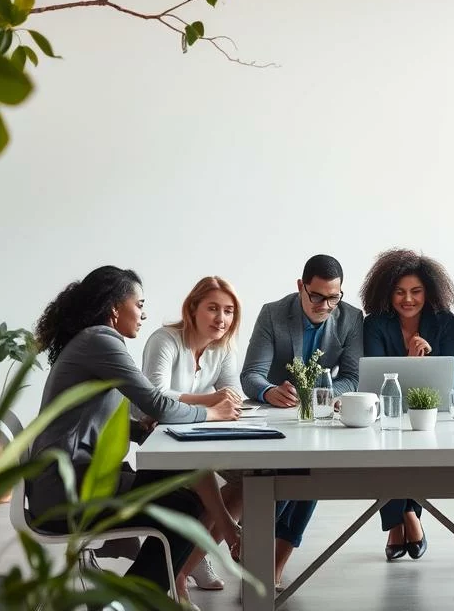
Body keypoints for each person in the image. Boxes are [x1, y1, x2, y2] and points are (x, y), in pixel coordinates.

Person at [27, 266, 238, 605]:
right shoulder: (100, 340)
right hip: (69, 492)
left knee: (181, 479)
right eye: (139, 304)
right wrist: (212, 412)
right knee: (186, 507)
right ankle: (127, 602)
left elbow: (100, 416)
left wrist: (141, 429)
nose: (143, 313)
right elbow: (157, 401)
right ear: (114, 308)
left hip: (72, 480)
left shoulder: (91, 340)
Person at [239, 254, 363, 589]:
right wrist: (268, 392)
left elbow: (352, 377)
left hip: (321, 416)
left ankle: (275, 562)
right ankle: (252, 547)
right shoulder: (273, 313)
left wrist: (320, 393)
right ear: (300, 287)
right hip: (277, 418)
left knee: (313, 477)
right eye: (317, 296)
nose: (326, 305)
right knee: (286, 477)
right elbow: (250, 375)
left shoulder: (351, 317)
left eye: (333, 297)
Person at [359, 249, 454, 561]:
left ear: (428, 292)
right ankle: (406, 517)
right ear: (387, 292)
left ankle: (398, 521)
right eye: (400, 292)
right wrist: (407, 363)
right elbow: (373, 375)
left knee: (418, 452)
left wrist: (428, 360)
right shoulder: (375, 323)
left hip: (430, 412)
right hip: (386, 414)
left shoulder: (444, 321)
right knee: (386, 452)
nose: (408, 299)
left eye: (416, 292)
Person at [140, 276, 244, 591]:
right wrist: (211, 401)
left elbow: (233, 393)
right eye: (213, 308)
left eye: (228, 311)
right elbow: (154, 396)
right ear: (193, 308)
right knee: (198, 466)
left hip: (194, 431)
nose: (221, 319)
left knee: (248, 479)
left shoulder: (223, 348)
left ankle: (188, 566)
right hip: (153, 439)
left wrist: (220, 402)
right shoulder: (165, 339)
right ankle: (229, 532)